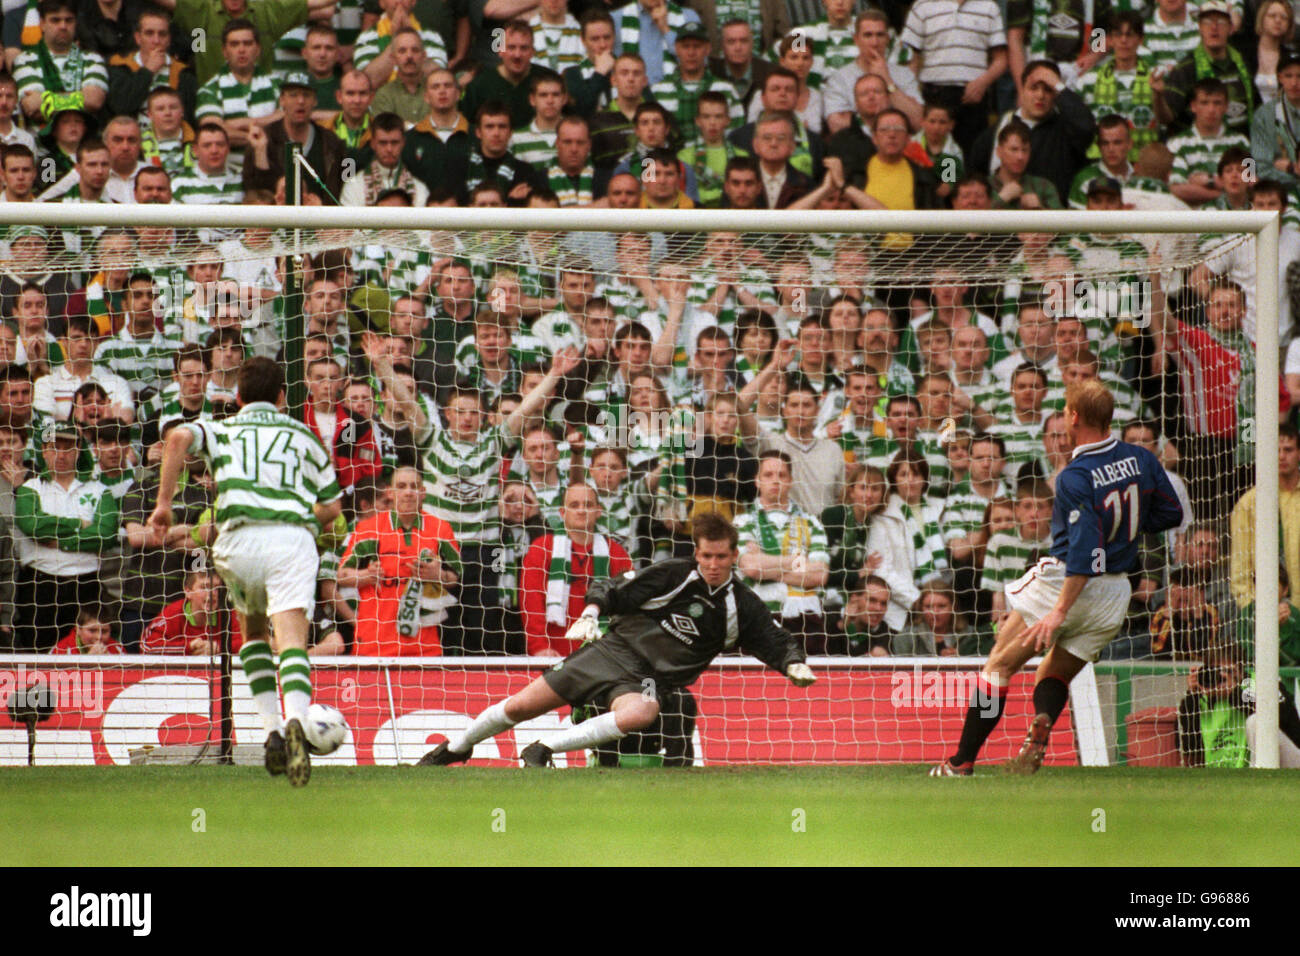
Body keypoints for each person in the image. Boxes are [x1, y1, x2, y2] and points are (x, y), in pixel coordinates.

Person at [418, 512, 816, 768]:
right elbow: (613, 589)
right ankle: (457, 747)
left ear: (734, 558)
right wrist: (591, 612)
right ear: (697, 553)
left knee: (643, 711)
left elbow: (772, 638)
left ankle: (544, 749)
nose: (713, 565)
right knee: (522, 705)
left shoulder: (740, 604)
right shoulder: (673, 574)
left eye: (722, 558)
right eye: (706, 557)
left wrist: (793, 662)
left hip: (647, 678)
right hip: (610, 651)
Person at [931, 379, 1184, 776]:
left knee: (998, 666)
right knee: (1052, 673)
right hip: (1115, 592)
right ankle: (1043, 720)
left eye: (1066, 409)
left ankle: (960, 762)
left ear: (1074, 416)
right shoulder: (1141, 459)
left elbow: (1083, 551)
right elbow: (1172, 514)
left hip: (1066, 584)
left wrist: (1058, 611)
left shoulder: (1074, 476)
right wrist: (1124, 530)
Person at [148, 356, 343, 788]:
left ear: (237, 397)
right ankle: (297, 720)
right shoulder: (305, 435)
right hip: (289, 541)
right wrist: (302, 518)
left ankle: (271, 729)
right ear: (282, 397)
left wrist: (164, 503)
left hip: (237, 540)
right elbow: (332, 508)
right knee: (290, 639)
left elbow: (178, 436)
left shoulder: (223, 427)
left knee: (253, 633)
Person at [340, 465, 460, 656]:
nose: (408, 492)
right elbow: (341, 576)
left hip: (424, 647)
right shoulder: (367, 529)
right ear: (390, 492)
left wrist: (438, 575)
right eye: (401, 486)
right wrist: (365, 575)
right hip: (374, 644)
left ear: (423, 493)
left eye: (414, 486)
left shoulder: (441, 529)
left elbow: (456, 578)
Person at [520, 481, 634, 656]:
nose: (581, 510)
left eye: (588, 505)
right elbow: (532, 601)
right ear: (562, 513)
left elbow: (627, 610)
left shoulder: (617, 553)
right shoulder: (542, 547)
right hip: (553, 652)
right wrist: (539, 646)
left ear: (599, 511)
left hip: (604, 653)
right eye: (574, 505)